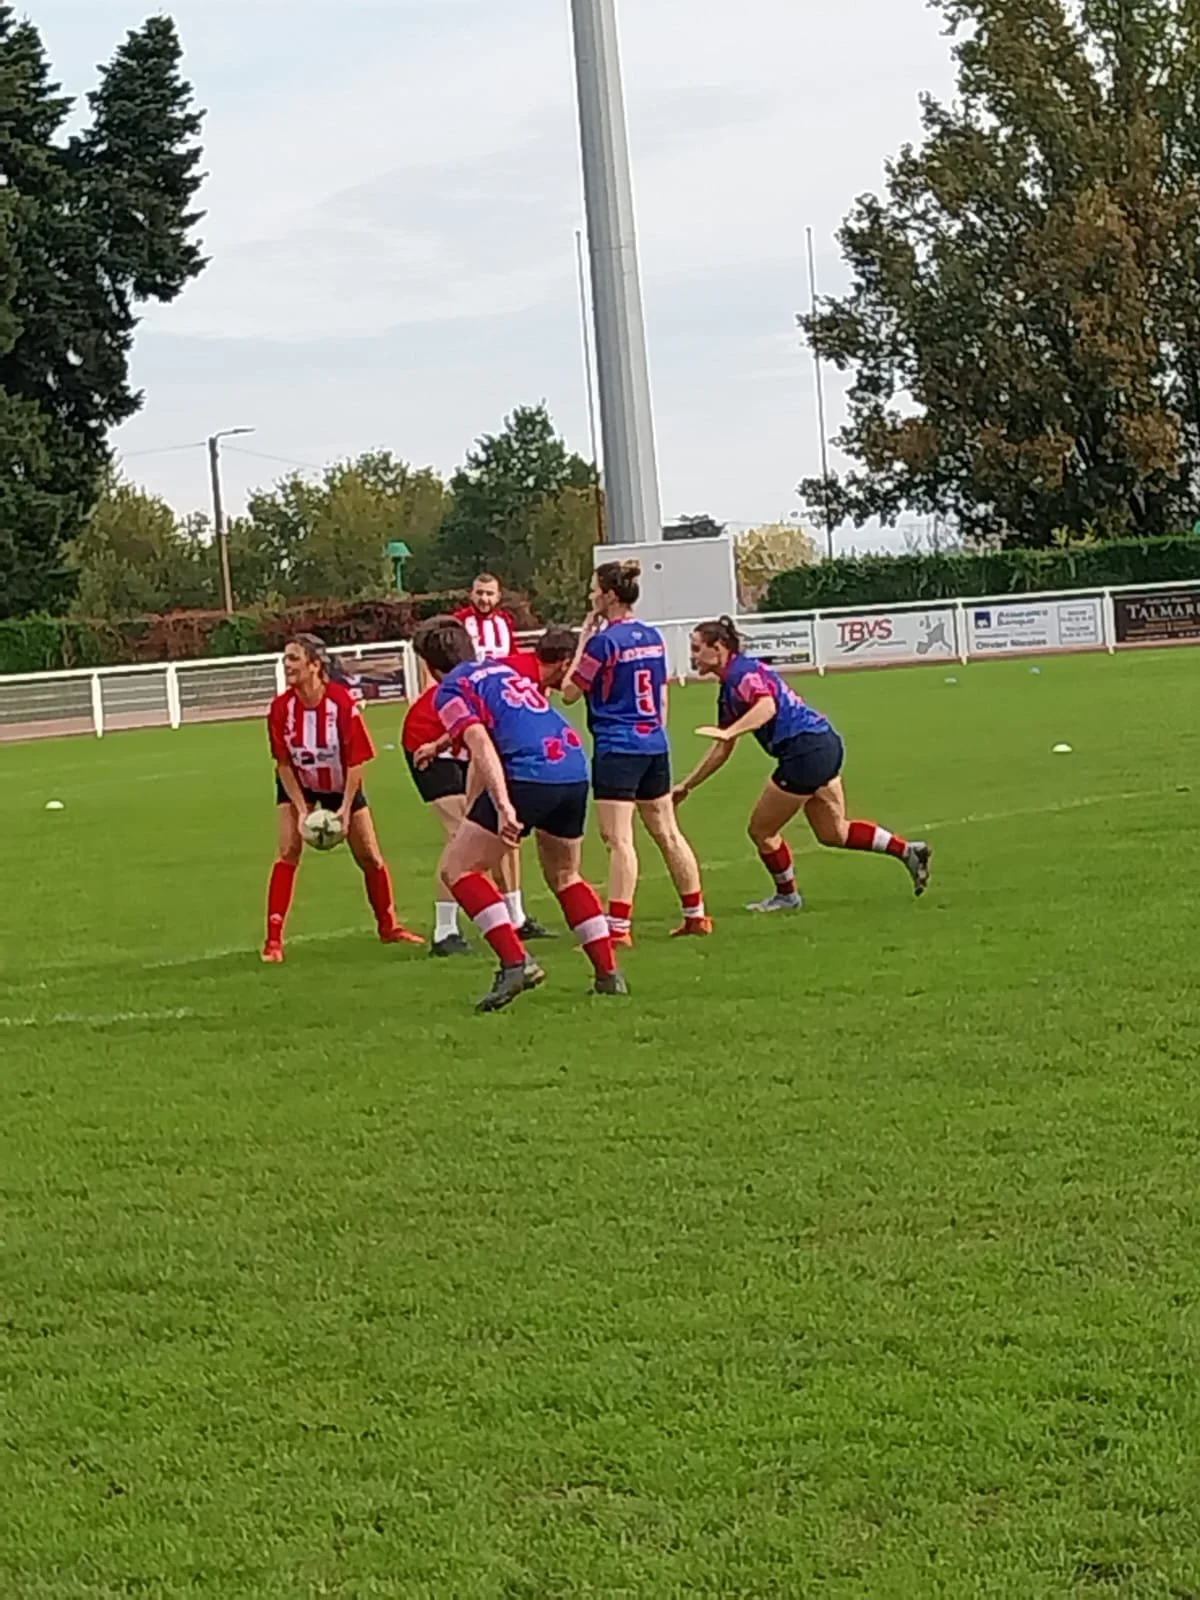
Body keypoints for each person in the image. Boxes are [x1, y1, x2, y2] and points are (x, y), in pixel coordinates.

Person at [414, 615, 627, 1012]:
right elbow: (500, 716)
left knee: (459, 869)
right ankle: (608, 974)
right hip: (571, 766)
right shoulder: (501, 669)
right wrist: (441, 742)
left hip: (527, 774)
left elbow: (480, 741)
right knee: (566, 875)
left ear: (428, 665)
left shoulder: (449, 689)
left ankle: (516, 963)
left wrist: (503, 804)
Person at [674, 617, 931, 910]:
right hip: (825, 742)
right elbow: (722, 748)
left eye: (696, 649)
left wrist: (732, 730)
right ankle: (908, 851)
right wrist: (686, 786)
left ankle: (787, 896)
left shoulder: (741, 676)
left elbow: (766, 707)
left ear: (718, 648)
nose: (693, 657)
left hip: (805, 751)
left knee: (761, 831)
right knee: (834, 833)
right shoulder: (732, 685)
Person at [557, 559, 709, 944]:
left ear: (609, 595)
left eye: (595, 589)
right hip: (653, 743)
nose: (591, 596)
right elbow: (661, 694)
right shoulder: (653, 637)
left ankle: (619, 927)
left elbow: (571, 692)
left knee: (619, 840)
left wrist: (582, 640)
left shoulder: (604, 642)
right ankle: (696, 914)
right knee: (667, 831)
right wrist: (656, 733)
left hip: (618, 747)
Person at [264, 634, 424, 962]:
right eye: (286, 658)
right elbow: (282, 763)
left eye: (294, 658)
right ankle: (273, 941)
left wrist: (346, 809)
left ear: (315, 665)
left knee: (369, 856)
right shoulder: (281, 709)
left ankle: (388, 926)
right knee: (287, 852)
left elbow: (356, 761)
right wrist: (300, 808)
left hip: (341, 785)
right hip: (299, 784)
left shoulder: (341, 704)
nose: (287, 664)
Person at [402, 670, 554, 956]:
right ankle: (444, 931)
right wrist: (436, 747)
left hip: (472, 745)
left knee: (500, 826)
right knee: (462, 834)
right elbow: (477, 729)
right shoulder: (518, 676)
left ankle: (515, 917)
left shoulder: (509, 678)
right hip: (429, 738)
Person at [453, 572, 516, 661]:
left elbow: (513, 654)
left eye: (489, 593)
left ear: (498, 597)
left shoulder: (505, 620)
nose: (484, 599)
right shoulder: (458, 620)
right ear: (471, 595)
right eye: (479, 593)